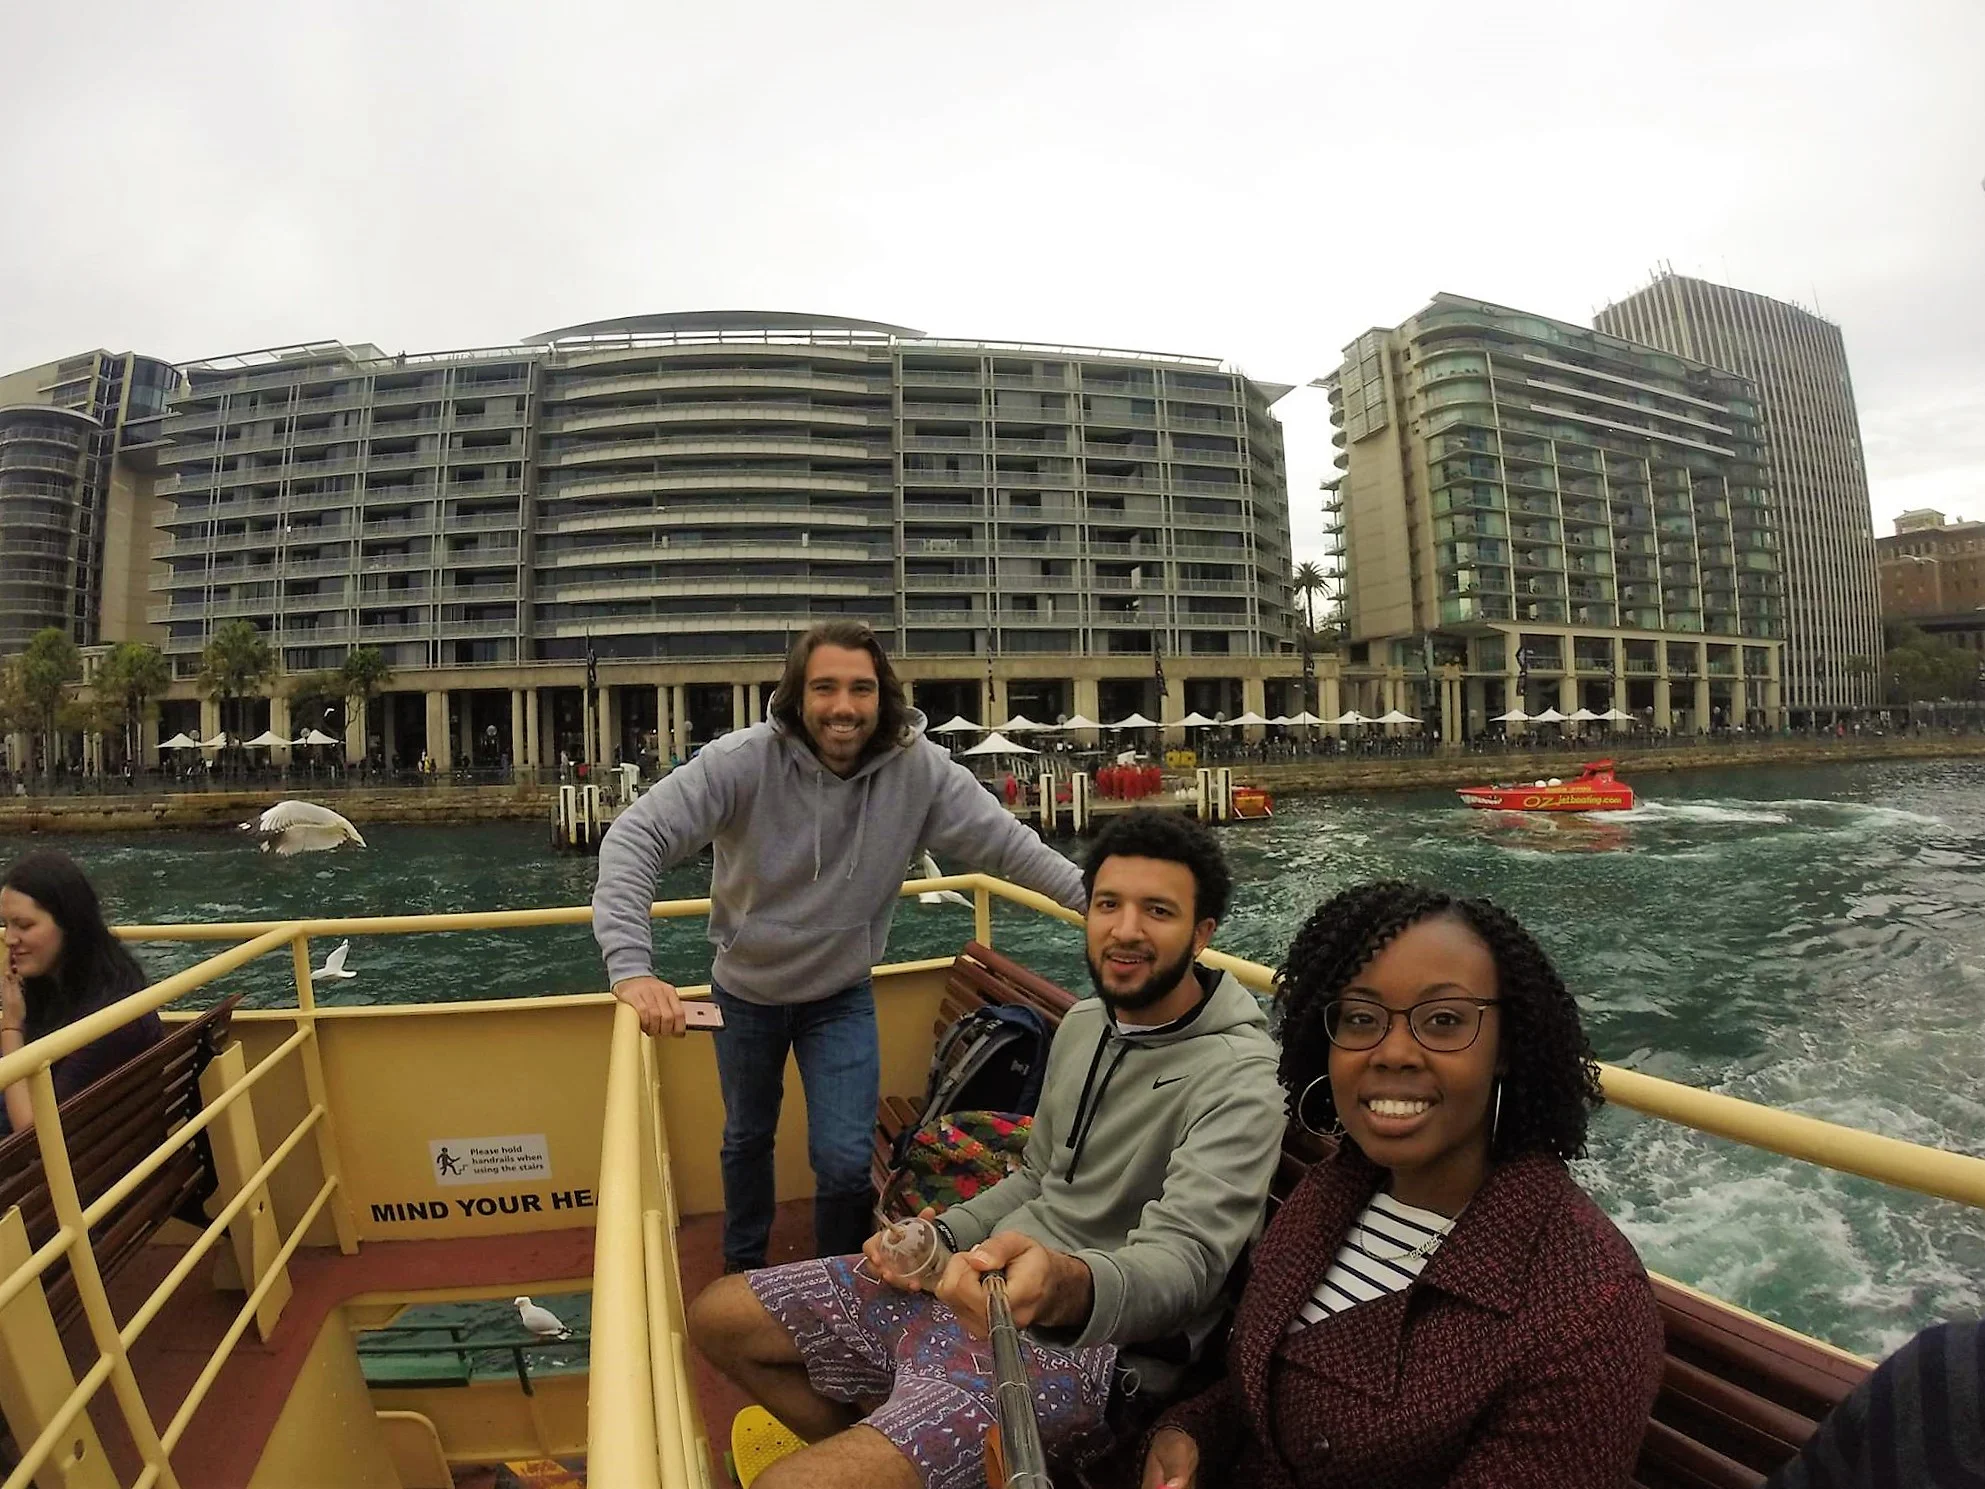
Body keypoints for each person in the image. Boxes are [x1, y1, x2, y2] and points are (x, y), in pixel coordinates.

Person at [686, 809, 1286, 1489]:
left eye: (1158, 911)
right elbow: (1037, 1176)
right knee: (719, 1315)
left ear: (1202, 933)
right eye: (1108, 904)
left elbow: (1189, 1262)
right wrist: (938, 1235)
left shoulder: (1240, 1078)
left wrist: (1062, 1285)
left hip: (1095, 1350)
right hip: (981, 1279)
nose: (1125, 929)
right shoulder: (1086, 1023)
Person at [591, 620, 1089, 1268]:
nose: (843, 706)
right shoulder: (742, 761)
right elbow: (635, 838)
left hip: (840, 995)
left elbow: (1010, 847)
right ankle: (742, 1267)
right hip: (745, 992)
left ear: (883, 695)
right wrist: (632, 968)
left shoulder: (919, 770)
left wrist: (1104, 906)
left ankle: (839, 1283)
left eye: (861, 688)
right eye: (824, 687)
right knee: (746, 1137)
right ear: (796, 695)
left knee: (845, 1161)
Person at [1143, 880, 1662, 1489]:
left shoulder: (1588, 1308)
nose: (1392, 1053)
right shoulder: (1334, 1192)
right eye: (1361, 1018)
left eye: (1443, 1021)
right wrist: (1189, 1434)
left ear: (1507, 1045)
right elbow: (1261, 1396)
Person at [2, 849, 163, 1136]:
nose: (10, 938)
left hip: (70, 1159)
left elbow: (33, 1137)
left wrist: (11, 1026)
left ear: (69, 924)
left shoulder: (108, 1021)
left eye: (24, 925)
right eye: (6, 924)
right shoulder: (76, 987)